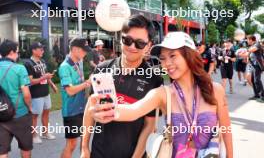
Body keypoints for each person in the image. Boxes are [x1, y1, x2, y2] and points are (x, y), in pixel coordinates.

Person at [85, 32, 233, 158]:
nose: (167, 63)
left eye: (173, 56)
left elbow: (226, 131)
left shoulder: (215, 90)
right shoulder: (163, 94)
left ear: (189, 56)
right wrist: (109, 110)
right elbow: (133, 111)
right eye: (162, 58)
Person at [81, 15, 164, 158]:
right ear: (121, 39)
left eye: (140, 43)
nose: (132, 47)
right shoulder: (102, 68)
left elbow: (149, 125)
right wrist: (84, 148)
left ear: (149, 45)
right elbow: (90, 108)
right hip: (99, 152)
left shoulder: (154, 80)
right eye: (128, 40)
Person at [59, 38, 92, 158]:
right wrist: (87, 83)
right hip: (71, 111)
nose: (85, 53)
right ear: (74, 49)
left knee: (84, 143)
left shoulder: (79, 62)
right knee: (72, 144)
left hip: (82, 108)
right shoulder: (64, 66)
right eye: (84, 50)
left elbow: (80, 83)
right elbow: (70, 91)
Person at [0, 40, 32, 158]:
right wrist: (30, 107)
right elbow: (26, 95)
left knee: (2, 152)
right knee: (25, 148)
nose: (18, 55)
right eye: (17, 52)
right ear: (11, 52)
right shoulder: (19, 68)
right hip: (20, 114)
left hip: (1, 115)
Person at [24, 42, 58, 144]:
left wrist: (52, 84)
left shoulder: (42, 61)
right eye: (40, 49)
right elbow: (30, 81)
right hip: (36, 94)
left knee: (46, 112)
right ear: (34, 50)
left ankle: (45, 133)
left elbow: (45, 75)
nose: (43, 51)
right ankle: (34, 135)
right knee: (34, 115)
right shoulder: (28, 63)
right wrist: (45, 77)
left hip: (45, 92)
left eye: (43, 49)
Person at [241, 35, 264, 102]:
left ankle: (262, 96)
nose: (247, 41)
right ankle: (256, 95)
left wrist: (245, 51)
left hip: (257, 65)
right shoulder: (251, 46)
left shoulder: (257, 44)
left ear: (251, 39)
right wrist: (243, 55)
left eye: (247, 40)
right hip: (252, 65)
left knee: (257, 80)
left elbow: (252, 50)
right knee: (253, 80)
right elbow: (248, 54)